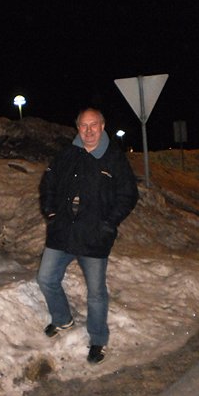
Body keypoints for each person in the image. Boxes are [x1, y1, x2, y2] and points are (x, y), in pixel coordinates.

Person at [37, 108, 139, 364]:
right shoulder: (67, 154)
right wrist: (51, 213)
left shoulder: (114, 158)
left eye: (94, 125)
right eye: (84, 125)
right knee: (46, 278)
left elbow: (128, 194)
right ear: (78, 128)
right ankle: (62, 319)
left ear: (102, 126)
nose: (89, 130)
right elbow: (48, 183)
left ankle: (98, 339)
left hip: (94, 235)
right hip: (63, 232)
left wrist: (109, 223)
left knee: (95, 292)